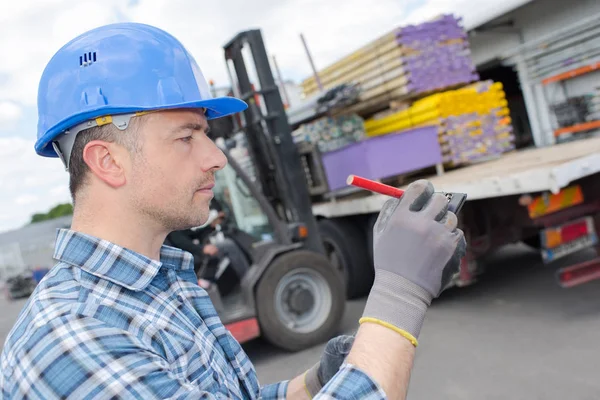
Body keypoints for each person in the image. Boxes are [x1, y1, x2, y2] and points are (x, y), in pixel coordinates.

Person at [0, 22, 466, 400]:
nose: (216, 157)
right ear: (108, 161)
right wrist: (399, 295)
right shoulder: (74, 338)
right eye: (186, 137)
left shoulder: (155, 287)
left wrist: (314, 383)